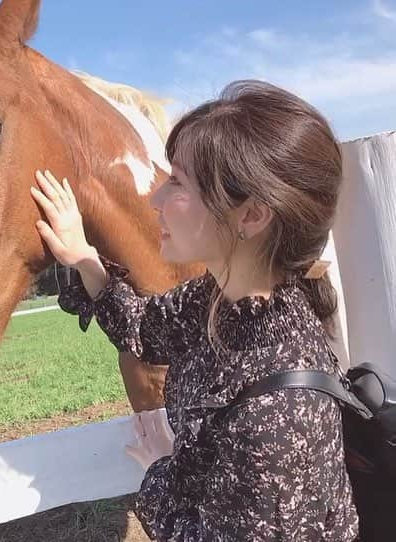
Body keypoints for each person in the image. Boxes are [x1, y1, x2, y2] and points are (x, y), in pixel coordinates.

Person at [30, 80, 359, 541]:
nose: (156, 199)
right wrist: (85, 257)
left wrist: (163, 474)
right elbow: (146, 329)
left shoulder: (277, 418)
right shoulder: (223, 299)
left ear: (251, 216)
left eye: (178, 183)